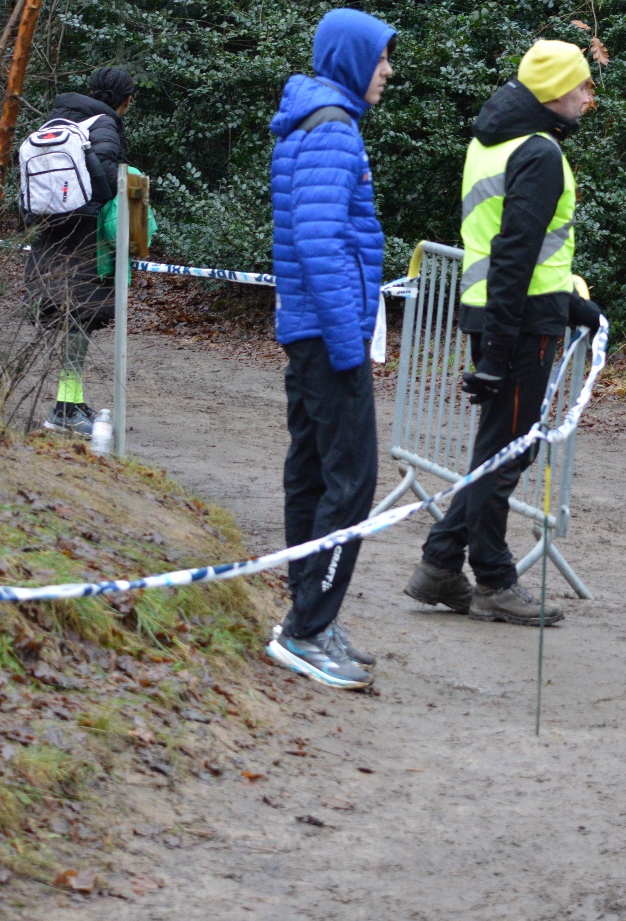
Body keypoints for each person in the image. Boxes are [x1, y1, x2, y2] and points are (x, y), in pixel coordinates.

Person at [403, 40, 603, 627]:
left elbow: (512, 249)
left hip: (495, 310)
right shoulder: (539, 152)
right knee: (509, 452)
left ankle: (441, 564)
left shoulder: (490, 140)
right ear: (556, 92)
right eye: (584, 87)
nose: (590, 99)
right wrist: (501, 347)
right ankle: (491, 578)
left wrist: (567, 303)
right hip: (516, 323)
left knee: (499, 446)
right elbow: (514, 254)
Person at [265, 8, 395, 691]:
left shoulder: (313, 119)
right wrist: (351, 342)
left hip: (311, 330)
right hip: (327, 335)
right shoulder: (333, 130)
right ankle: (308, 629)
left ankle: (309, 612)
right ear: (351, 58)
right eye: (380, 59)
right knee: (351, 482)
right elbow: (318, 244)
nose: (388, 71)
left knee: (313, 473)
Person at [24, 66, 134, 437]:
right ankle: (64, 410)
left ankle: (71, 402)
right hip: (82, 240)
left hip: (48, 234)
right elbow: (102, 178)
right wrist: (118, 186)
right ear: (126, 99)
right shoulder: (104, 124)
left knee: (73, 324)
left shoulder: (58, 120)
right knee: (78, 325)